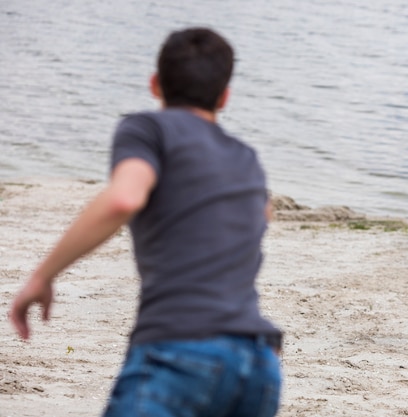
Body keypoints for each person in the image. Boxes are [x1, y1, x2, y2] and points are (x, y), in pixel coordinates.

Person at [10, 27, 283, 416]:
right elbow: (261, 215)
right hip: (258, 364)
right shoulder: (245, 156)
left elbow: (124, 197)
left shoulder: (147, 129)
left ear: (155, 84)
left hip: (179, 351)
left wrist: (42, 276)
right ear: (224, 96)